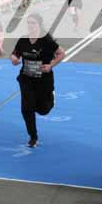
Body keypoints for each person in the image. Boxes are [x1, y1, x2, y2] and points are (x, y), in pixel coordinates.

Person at [11, 13, 65, 148]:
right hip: (26, 79)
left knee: (43, 110)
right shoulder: (23, 40)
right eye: (28, 23)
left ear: (39, 25)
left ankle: (51, 97)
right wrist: (14, 59)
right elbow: (15, 54)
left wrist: (51, 65)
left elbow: (61, 53)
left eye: (33, 23)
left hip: (43, 80)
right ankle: (33, 136)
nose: (30, 25)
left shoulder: (46, 40)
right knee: (26, 108)